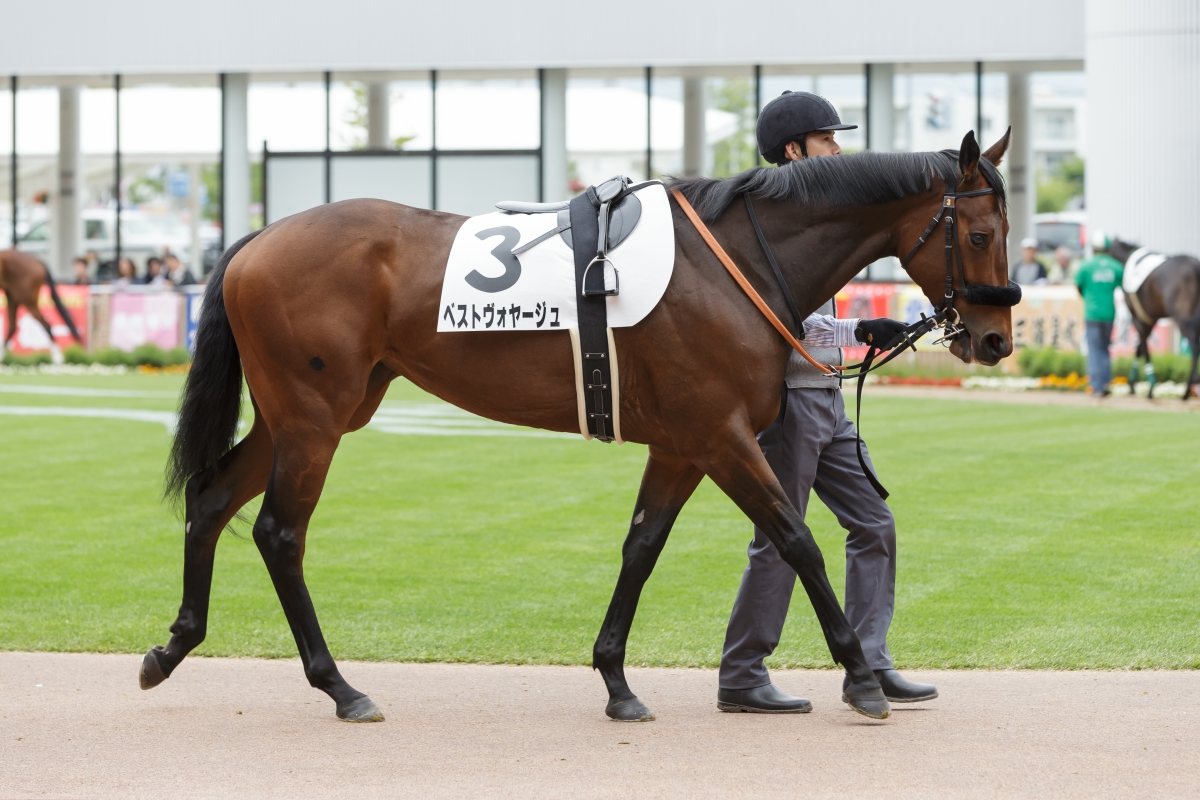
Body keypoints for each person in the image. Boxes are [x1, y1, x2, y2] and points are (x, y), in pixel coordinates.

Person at [717, 90, 937, 715]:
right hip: (789, 401)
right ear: (795, 150)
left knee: (873, 522)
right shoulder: (770, 223)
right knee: (781, 538)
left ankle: (868, 659)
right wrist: (859, 330)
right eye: (826, 139)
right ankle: (741, 674)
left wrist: (866, 331)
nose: (838, 148)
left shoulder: (816, 219)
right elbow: (779, 325)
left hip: (826, 398)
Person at [1075, 231, 1124, 397]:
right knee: (1105, 348)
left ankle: (1096, 386)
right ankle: (1105, 382)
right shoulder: (1116, 266)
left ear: (1093, 249)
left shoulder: (1086, 266)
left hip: (1092, 313)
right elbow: (1122, 286)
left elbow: (1079, 286)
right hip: (1109, 313)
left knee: (1094, 349)